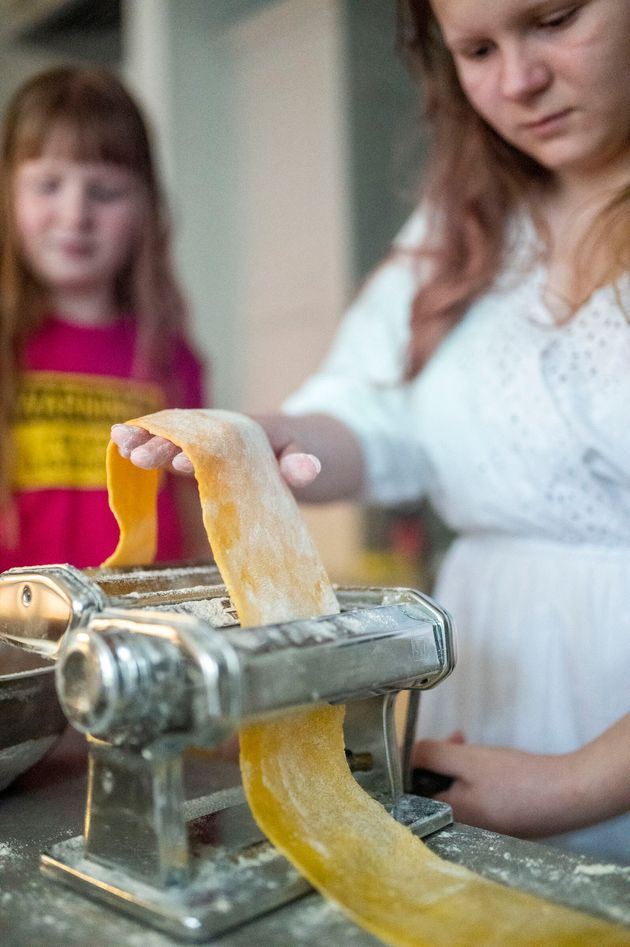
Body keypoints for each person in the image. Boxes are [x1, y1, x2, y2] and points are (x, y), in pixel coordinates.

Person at [110, 0, 630, 865]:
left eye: (554, 19)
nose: (519, 80)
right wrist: (266, 439)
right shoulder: (466, 222)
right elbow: (374, 415)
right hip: (491, 677)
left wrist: (574, 782)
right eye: (476, 49)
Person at [0, 65, 211, 571]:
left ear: (145, 206)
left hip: (138, 637)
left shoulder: (172, 359)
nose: (75, 215)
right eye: (48, 184)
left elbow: (198, 522)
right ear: (9, 195)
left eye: (105, 191)